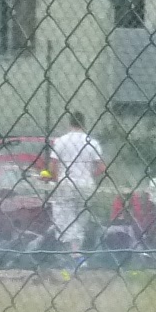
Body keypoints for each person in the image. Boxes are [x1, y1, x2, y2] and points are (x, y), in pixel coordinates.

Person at [48, 109, 104, 272]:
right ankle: (76, 255)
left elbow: (53, 168)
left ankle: (73, 255)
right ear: (83, 124)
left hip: (66, 183)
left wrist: (50, 177)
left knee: (65, 218)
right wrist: (87, 175)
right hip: (86, 185)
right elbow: (101, 167)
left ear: (70, 123)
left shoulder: (61, 141)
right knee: (80, 219)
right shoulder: (92, 142)